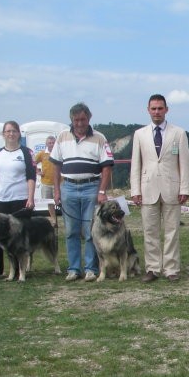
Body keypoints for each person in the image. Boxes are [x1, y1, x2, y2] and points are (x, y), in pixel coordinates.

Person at [131, 94, 189, 283]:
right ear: (148, 110)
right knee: (150, 231)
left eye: (160, 108)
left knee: (172, 230)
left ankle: (171, 268)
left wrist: (185, 189)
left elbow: (185, 163)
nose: (157, 112)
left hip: (172, 188)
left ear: (166, 109)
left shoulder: (179, 133)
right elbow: (136, 164)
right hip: (147, 188)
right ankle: (153, 268)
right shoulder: (139, 134)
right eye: (153, 108)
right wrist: (135, 190)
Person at [51, 102, 114, 282]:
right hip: (68, 187)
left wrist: (102, 190)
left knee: (90, 230)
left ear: (89, 118)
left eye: (83, 119)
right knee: (71, 231)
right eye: (76, 119)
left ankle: (91, 268)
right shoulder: (62, 137)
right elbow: (55, 166)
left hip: (91, 187)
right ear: (71, 119)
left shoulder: (100, 138)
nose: (80, 123)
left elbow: (107, 167)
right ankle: (73, 268)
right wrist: (56, 190)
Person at [0, 121, 36, 283]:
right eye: (7, 131)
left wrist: (31, 197)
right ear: (3, 134)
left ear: (19, 133)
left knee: (21, 237)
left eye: (14, 131)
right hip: (0, 200)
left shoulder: (26, 152)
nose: (11, 134)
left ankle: (23, 268)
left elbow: (31, 176)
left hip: (19, 200)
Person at [34, 135, 58, 226]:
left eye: (53, 143)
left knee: (62, 203)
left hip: (59, 184)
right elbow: (32, 163)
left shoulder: (59, 153)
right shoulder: (42, 154)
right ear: (46, 144)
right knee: (49, 202)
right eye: (50, 143)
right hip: (46, 183)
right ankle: (54, 220)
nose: (51, 144)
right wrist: (38, 171)